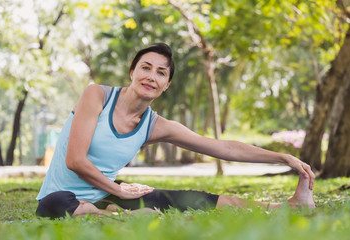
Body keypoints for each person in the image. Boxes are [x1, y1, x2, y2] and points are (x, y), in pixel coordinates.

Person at [35, 43, 315, 219]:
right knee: (54, 203)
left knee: (195, 199)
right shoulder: (97, 96)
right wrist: (120, 192)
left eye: (160, 73)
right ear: (132, 72)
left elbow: (223, 148)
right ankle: (115, 215)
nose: (151, 76)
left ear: (166, 84)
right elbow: (75, 160)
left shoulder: (154, 125)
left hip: (108, 194)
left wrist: (284, 158)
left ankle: (288, 207)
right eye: (145, 67)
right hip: (63, 197)